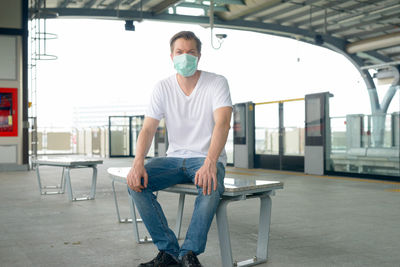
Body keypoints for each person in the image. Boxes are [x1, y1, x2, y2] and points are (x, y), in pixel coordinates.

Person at [127, 31, 232, 267]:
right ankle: (170, 252)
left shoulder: (216, 82)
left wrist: (209, 163)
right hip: (174, 159)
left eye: (191, 52)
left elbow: (223, 123)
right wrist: (137, 164)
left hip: (206, 158)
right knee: (135, 182)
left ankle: (189, 254)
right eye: (180, 52)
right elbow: (147, 129)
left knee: (210, 183)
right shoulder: (162, 87)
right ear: (171, 56)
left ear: (199, 56)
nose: (185, 57)